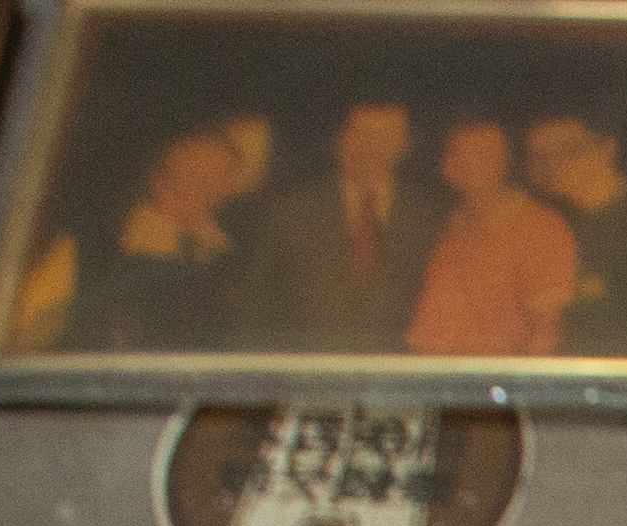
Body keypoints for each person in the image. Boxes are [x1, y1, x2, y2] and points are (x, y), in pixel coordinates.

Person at [247, 97, 443, 352]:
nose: (373, 147)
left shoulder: (430, 219)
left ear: (404, 145)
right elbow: (257, 313)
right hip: (309, 381)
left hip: (397, 383)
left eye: (386, 136)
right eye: (364, 134)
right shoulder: (291, 214)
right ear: (341, 140)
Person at [65, 123, 255, 351]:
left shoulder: (232, 253)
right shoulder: (97, 252)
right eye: (197, 179)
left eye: (220, 179)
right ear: (159, 182)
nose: (217, 191)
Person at [405, 112, 577, 355]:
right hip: (430, 380)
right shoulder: (445, 227)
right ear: (447, 166)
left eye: (483, 156)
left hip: (492, 385)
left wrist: (520, 390)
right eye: (459, 155)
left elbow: (545, 333)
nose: (469, 165)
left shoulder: (540, 230)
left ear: (503, 162)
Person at [523, 113, 627, 356]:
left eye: (567, 150)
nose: (553, 165)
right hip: (569, 372)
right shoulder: (547, 222)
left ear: (606, 147)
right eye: (541, 157)